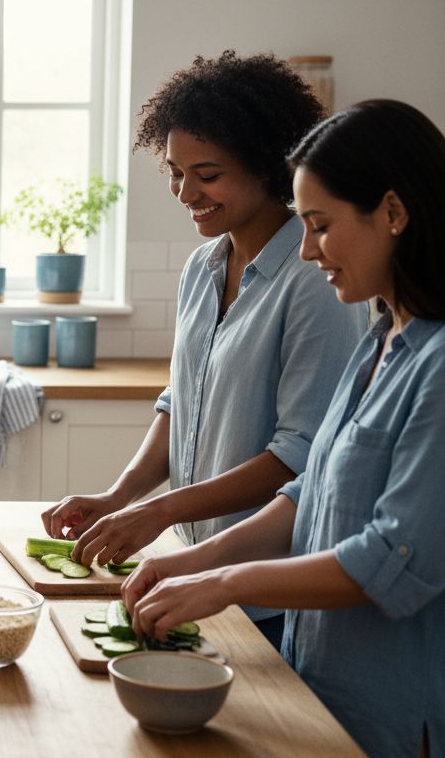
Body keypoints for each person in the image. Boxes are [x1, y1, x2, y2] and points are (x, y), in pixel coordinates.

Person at [124, 98, 444, 758]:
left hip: (391, 718)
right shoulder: (381, 339)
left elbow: (390, 559)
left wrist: (225, 582)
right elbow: (309, 493)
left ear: (393, 213)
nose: (306, 249)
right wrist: (195, 560)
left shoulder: (439, 369)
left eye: (321, 226)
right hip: (319, 689)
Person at [41, 51, 365, 647]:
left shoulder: (316, 280)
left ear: (267, 167)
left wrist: (162, 511)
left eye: (207, 174)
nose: (185, 191)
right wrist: (122, 495)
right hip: (194, 571)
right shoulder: (202, 266)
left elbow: (301, 454)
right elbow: (179, 403)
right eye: (174, 171)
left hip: (267, 587)